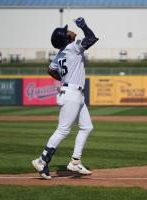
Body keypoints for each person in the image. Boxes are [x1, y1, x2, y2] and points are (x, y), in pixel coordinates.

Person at [32, 17, 99, 180]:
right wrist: (83, 26)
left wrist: (64, 79)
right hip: (72, 95)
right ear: (66, 38)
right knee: (63, 129)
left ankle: (75, 161)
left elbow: (50, 69)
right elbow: (91, 38)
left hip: (74, 93)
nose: (70, 30)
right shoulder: (73, 48)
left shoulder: (61, 53)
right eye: (67, 31)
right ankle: (42, 160)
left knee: (87, 127)